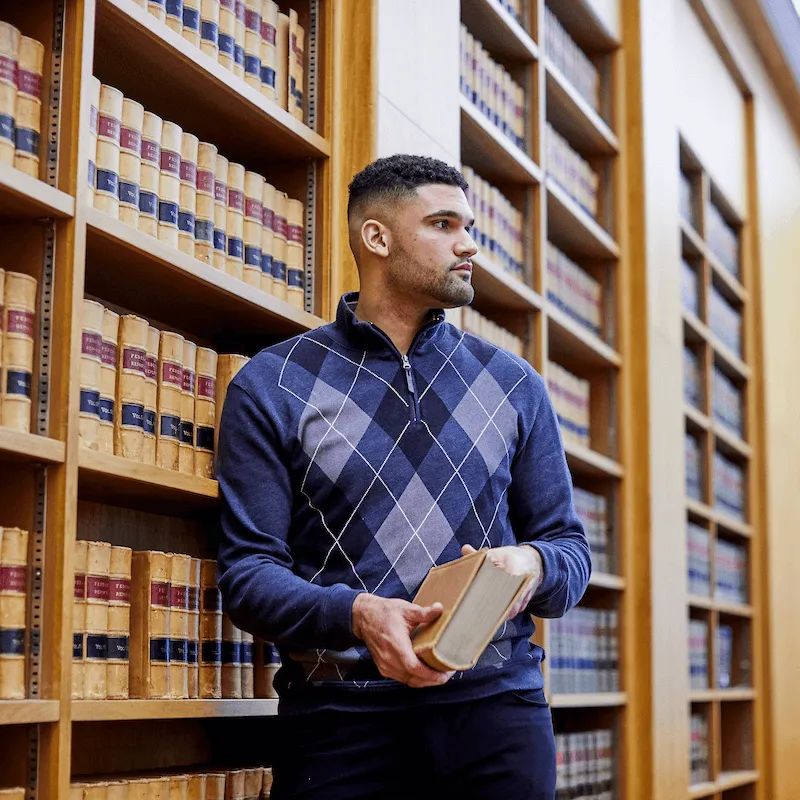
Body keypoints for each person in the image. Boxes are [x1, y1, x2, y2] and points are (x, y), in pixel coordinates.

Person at [217, 154, 591, 799]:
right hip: (337, 722)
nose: (468, 243)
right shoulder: (272, 383)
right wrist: (356, 613)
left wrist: (530, 566)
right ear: (377, 238)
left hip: (497, 714)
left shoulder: (513, 384)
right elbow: (247, 576)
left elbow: (570, 549)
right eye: (443, 224)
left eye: (468, 225)